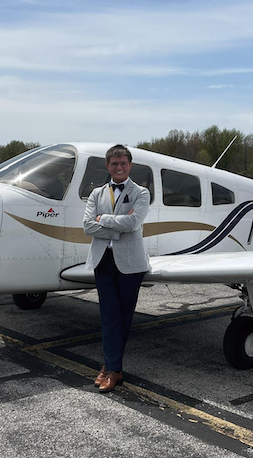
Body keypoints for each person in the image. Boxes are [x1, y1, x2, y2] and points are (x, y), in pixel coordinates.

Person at [82, 144, 150, 393]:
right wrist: (117, 224)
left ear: (129, 165)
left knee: (124, 317)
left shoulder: (141, 193)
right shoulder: (96, 194)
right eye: (114, 164)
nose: (119, 167)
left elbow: (134, 222)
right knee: (108, 316)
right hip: (103, 260)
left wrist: (104, 220)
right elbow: (87, 226)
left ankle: (111, 367)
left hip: (131, 264)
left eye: (123, 163)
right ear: (107, 166)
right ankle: (113, 368)